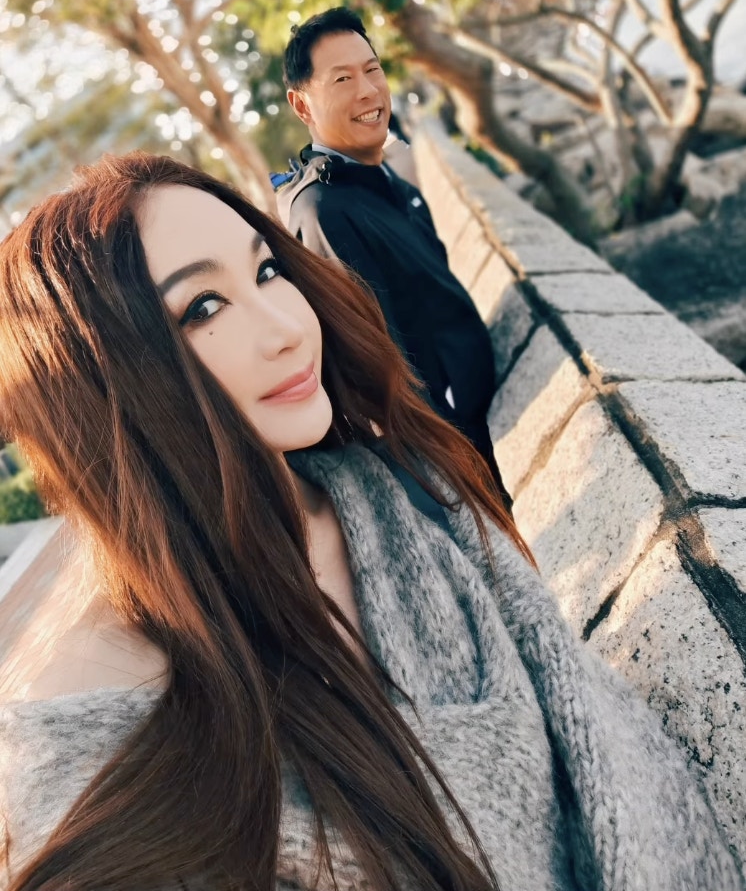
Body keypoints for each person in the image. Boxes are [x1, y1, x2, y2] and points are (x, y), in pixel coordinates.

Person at [0, 152, 741, 891]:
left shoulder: (408, 492)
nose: (288, 327)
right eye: (203, 308)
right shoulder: (94, 737)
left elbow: (593, 732)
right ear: (96, 388)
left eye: (266, 271)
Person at [277, 7, 512, 509]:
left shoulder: (382, 180)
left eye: (373, 69)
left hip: (480, 423)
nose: (368, 91)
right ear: (302, 105)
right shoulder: (325, 210)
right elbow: (376, 358)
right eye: (343, 79)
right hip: (452, 458)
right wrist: (452, 473)